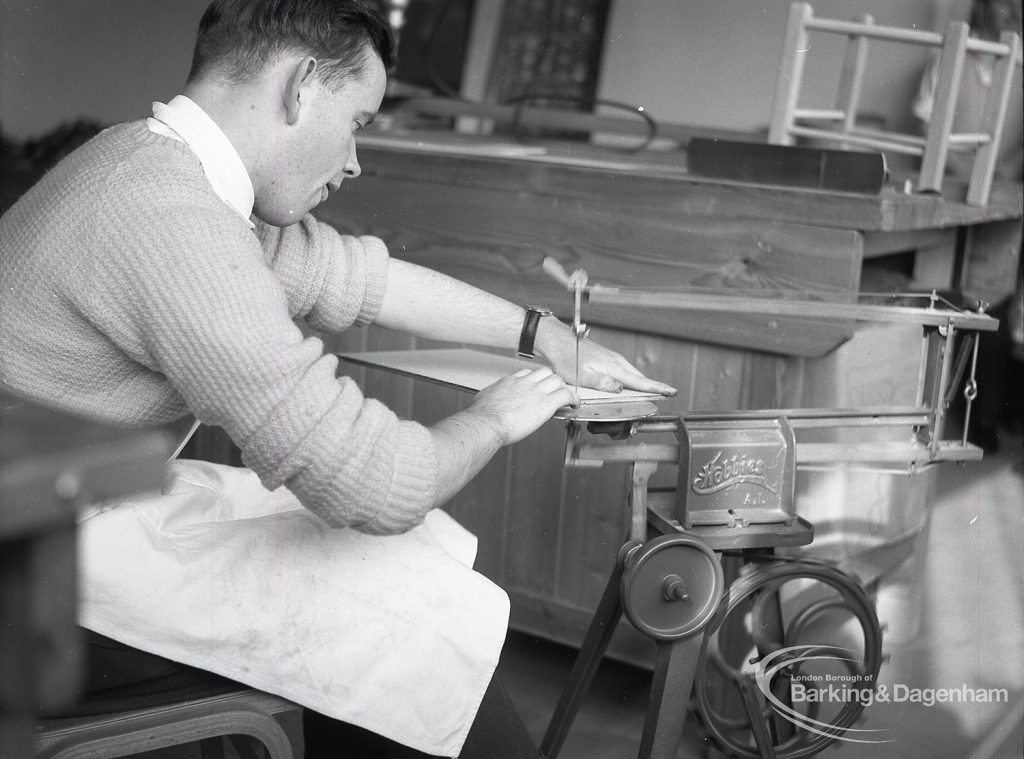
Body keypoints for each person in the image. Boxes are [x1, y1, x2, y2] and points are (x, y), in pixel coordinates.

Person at [0, 1, 676, 757]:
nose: (355, 161)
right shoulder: (169, 217)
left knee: (399, 573)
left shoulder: (150, 163)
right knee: (403, 614)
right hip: (28, 584)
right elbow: (378, 484)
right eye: (358, 120)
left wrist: (542, 334)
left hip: (53, 512)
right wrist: (496, 416)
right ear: (303, 85)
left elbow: (362, 280)